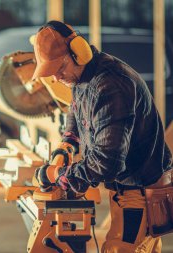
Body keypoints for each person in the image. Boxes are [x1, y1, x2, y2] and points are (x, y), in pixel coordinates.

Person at [32, 20, 173, 252]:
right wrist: (66, 144)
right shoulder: (81, 77)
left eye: (59, 68)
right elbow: (75, 111)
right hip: (125, 189)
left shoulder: (111, 85)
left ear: (78, 52)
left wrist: (59, 175)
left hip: (140, 191)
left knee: (118, 249)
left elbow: (108, 162)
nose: (56, 78)